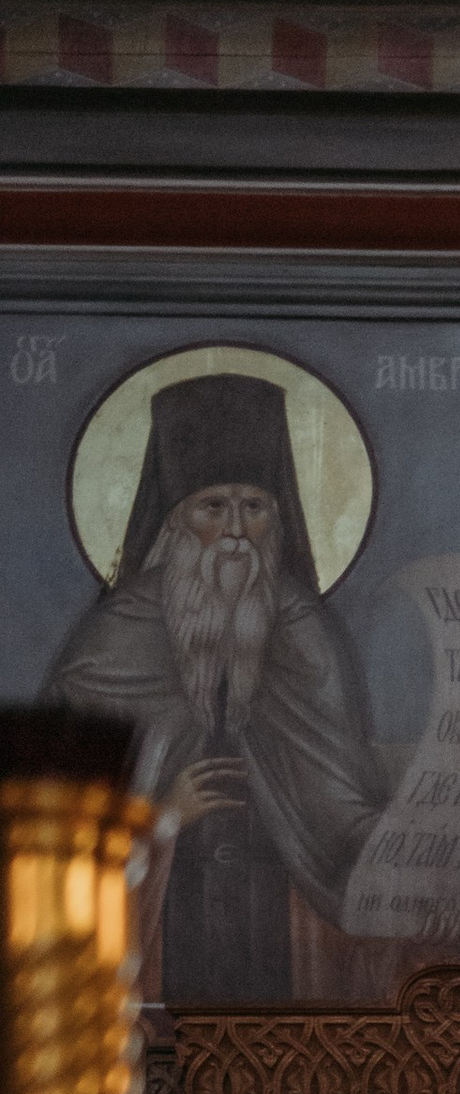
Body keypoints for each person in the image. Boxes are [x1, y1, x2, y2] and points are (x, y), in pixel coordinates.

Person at [46, 369, 383, 999]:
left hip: (289, 919)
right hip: (160, 933)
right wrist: (161, 817)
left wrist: (403, 850)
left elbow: (341, 802)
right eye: (212, 507)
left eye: (253, 507)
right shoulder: (117, 638)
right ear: (175, 524)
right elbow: (65, 824)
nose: (234, 531)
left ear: (276, 521)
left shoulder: (304, 628)